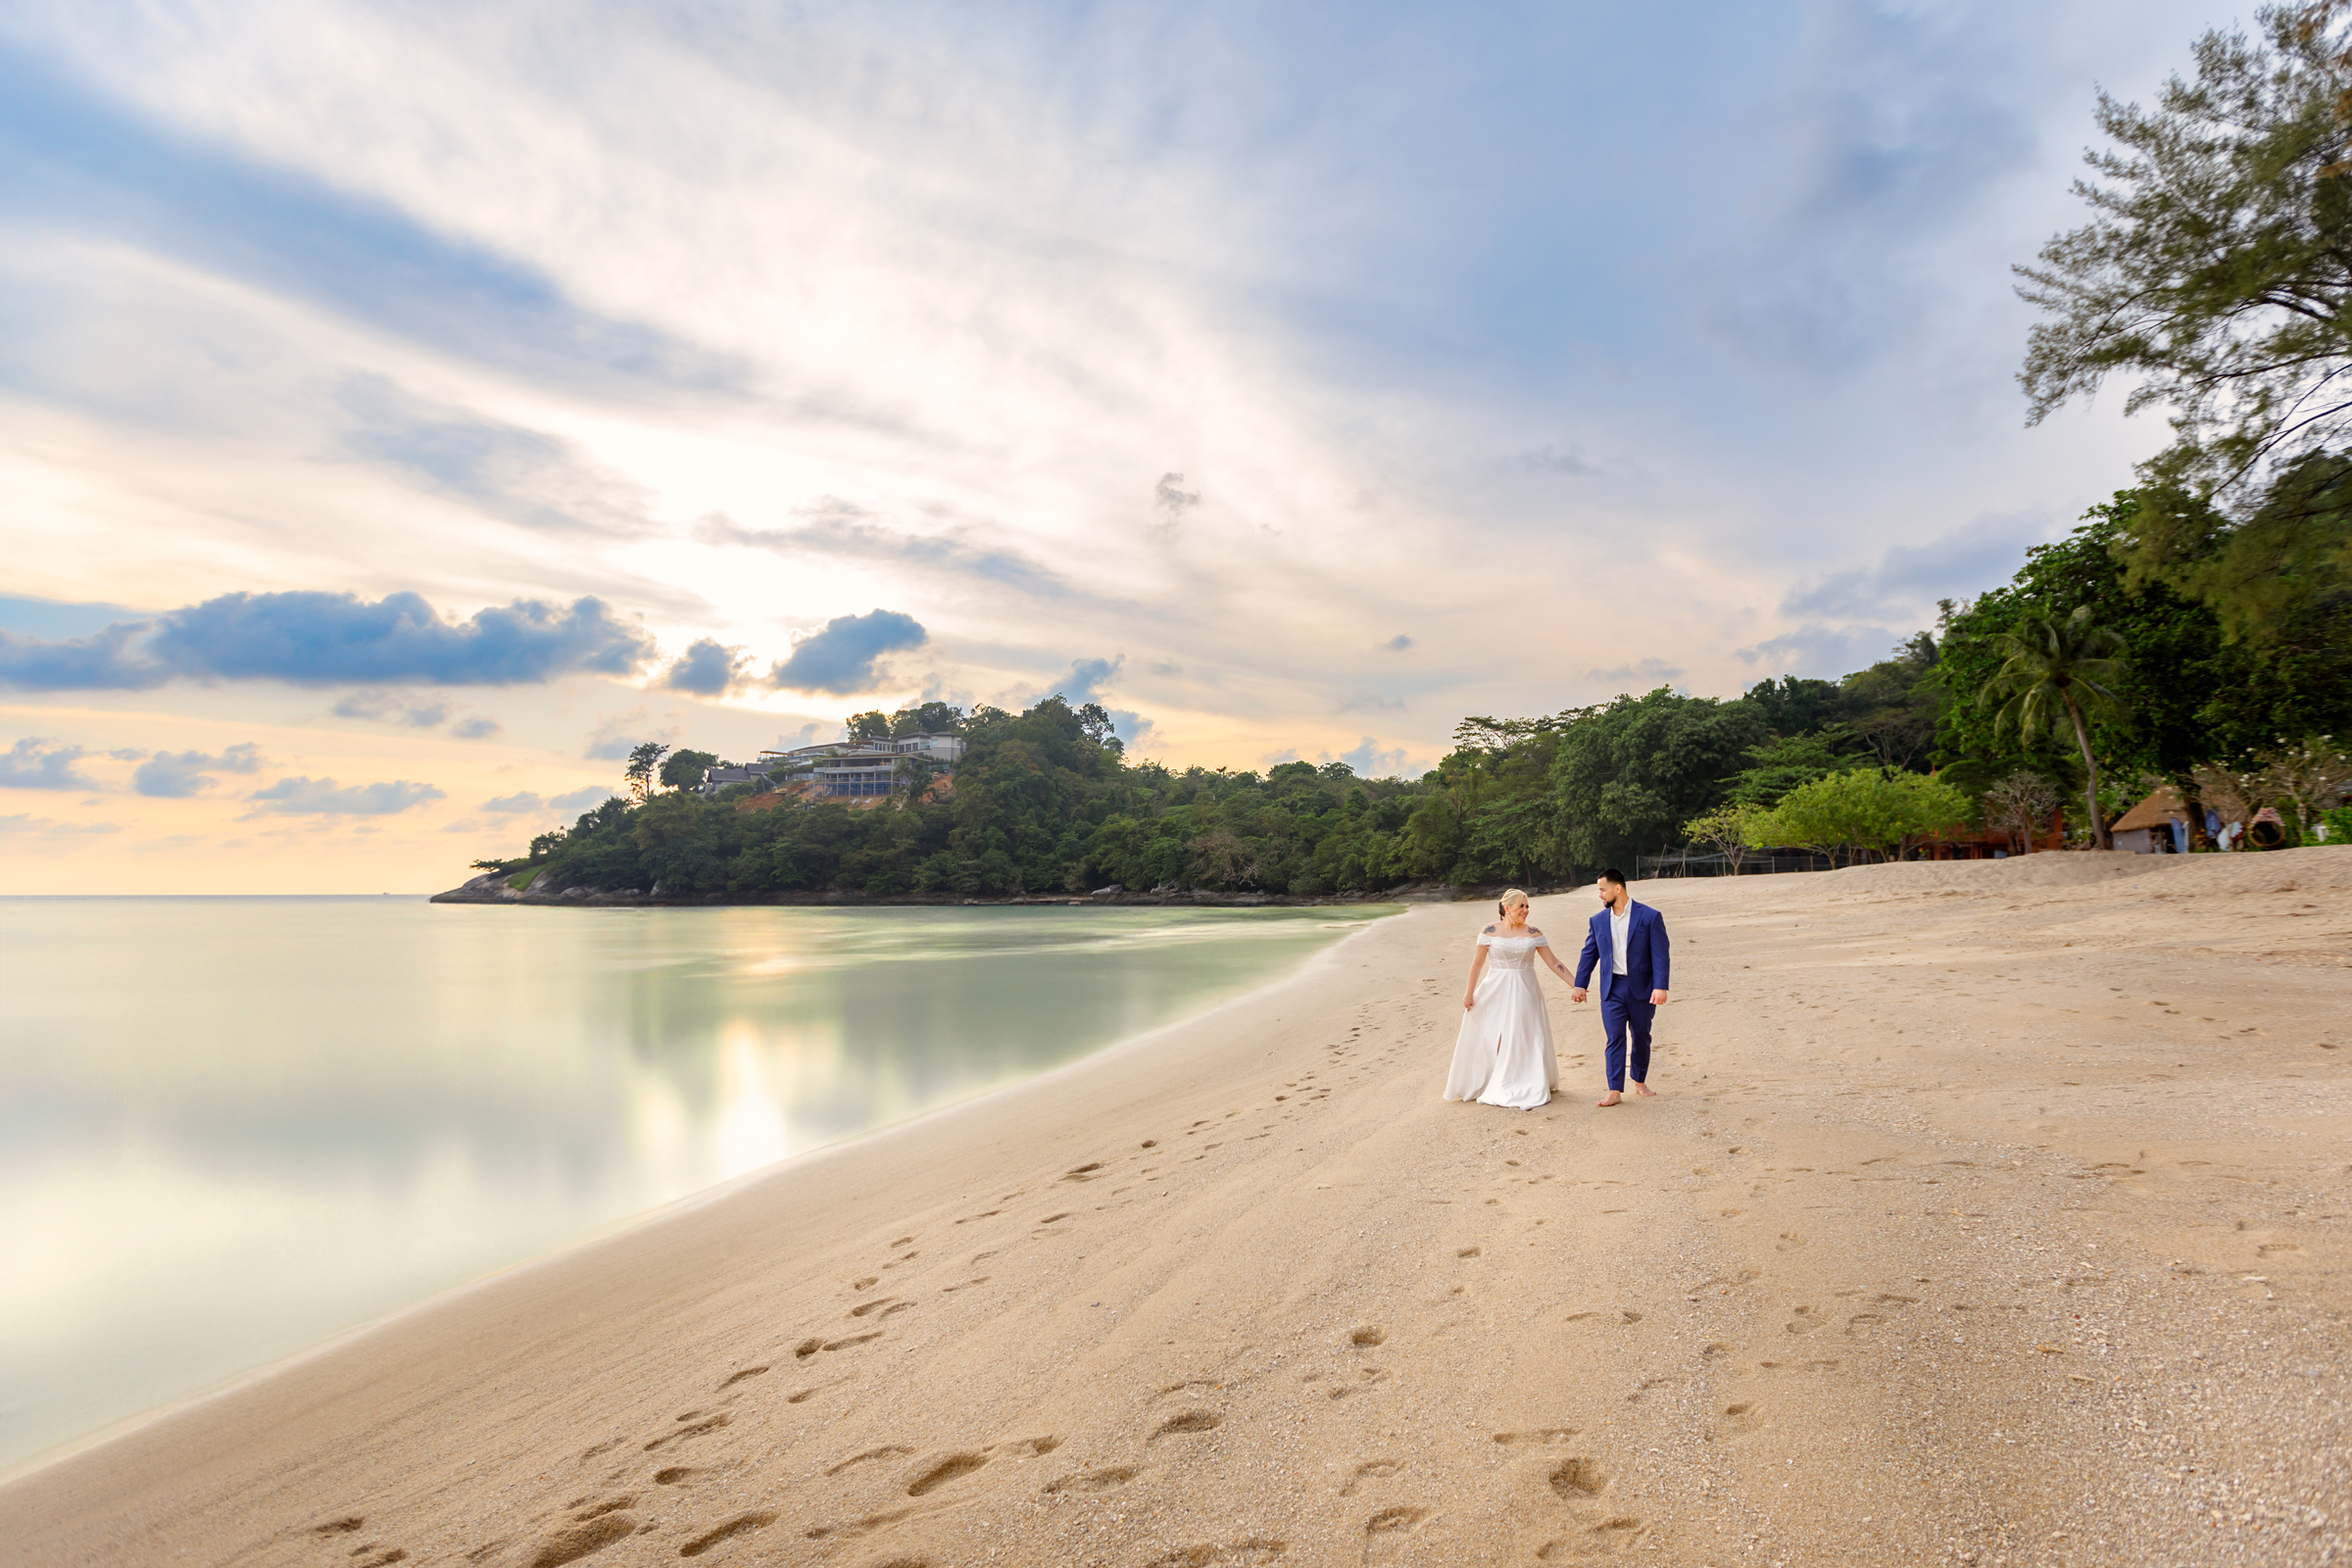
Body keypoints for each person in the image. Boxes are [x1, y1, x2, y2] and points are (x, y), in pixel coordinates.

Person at [1444, 888, 1572, 1109]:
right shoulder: (1489, 931)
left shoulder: (1534, 933)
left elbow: (1553, 962)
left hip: (1525, 989)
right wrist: (1469, 993)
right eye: (1521, 906)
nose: (1526, 910)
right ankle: (1491, 1077)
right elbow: (1477, 963)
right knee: (1493, 1033)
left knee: (1523, 1033)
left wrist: (1576, 984)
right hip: (1496, 988)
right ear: (1506, 907)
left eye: (1527, 906)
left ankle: (1522, 1078)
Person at [1570, 868, 1670, 1106]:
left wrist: (1660, 986)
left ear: (1617, 888)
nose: (1600, 895)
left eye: (1602, 890)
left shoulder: (1649, 916)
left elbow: (1660, 954)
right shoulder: (1598, 921)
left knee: (1641, 1035)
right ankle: (1614, 1090)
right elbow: (1589, 953)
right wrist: (1580, 984)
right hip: (1611, 988)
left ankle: (1639, 1081)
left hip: (1642, 988)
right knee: (1615, 1037)